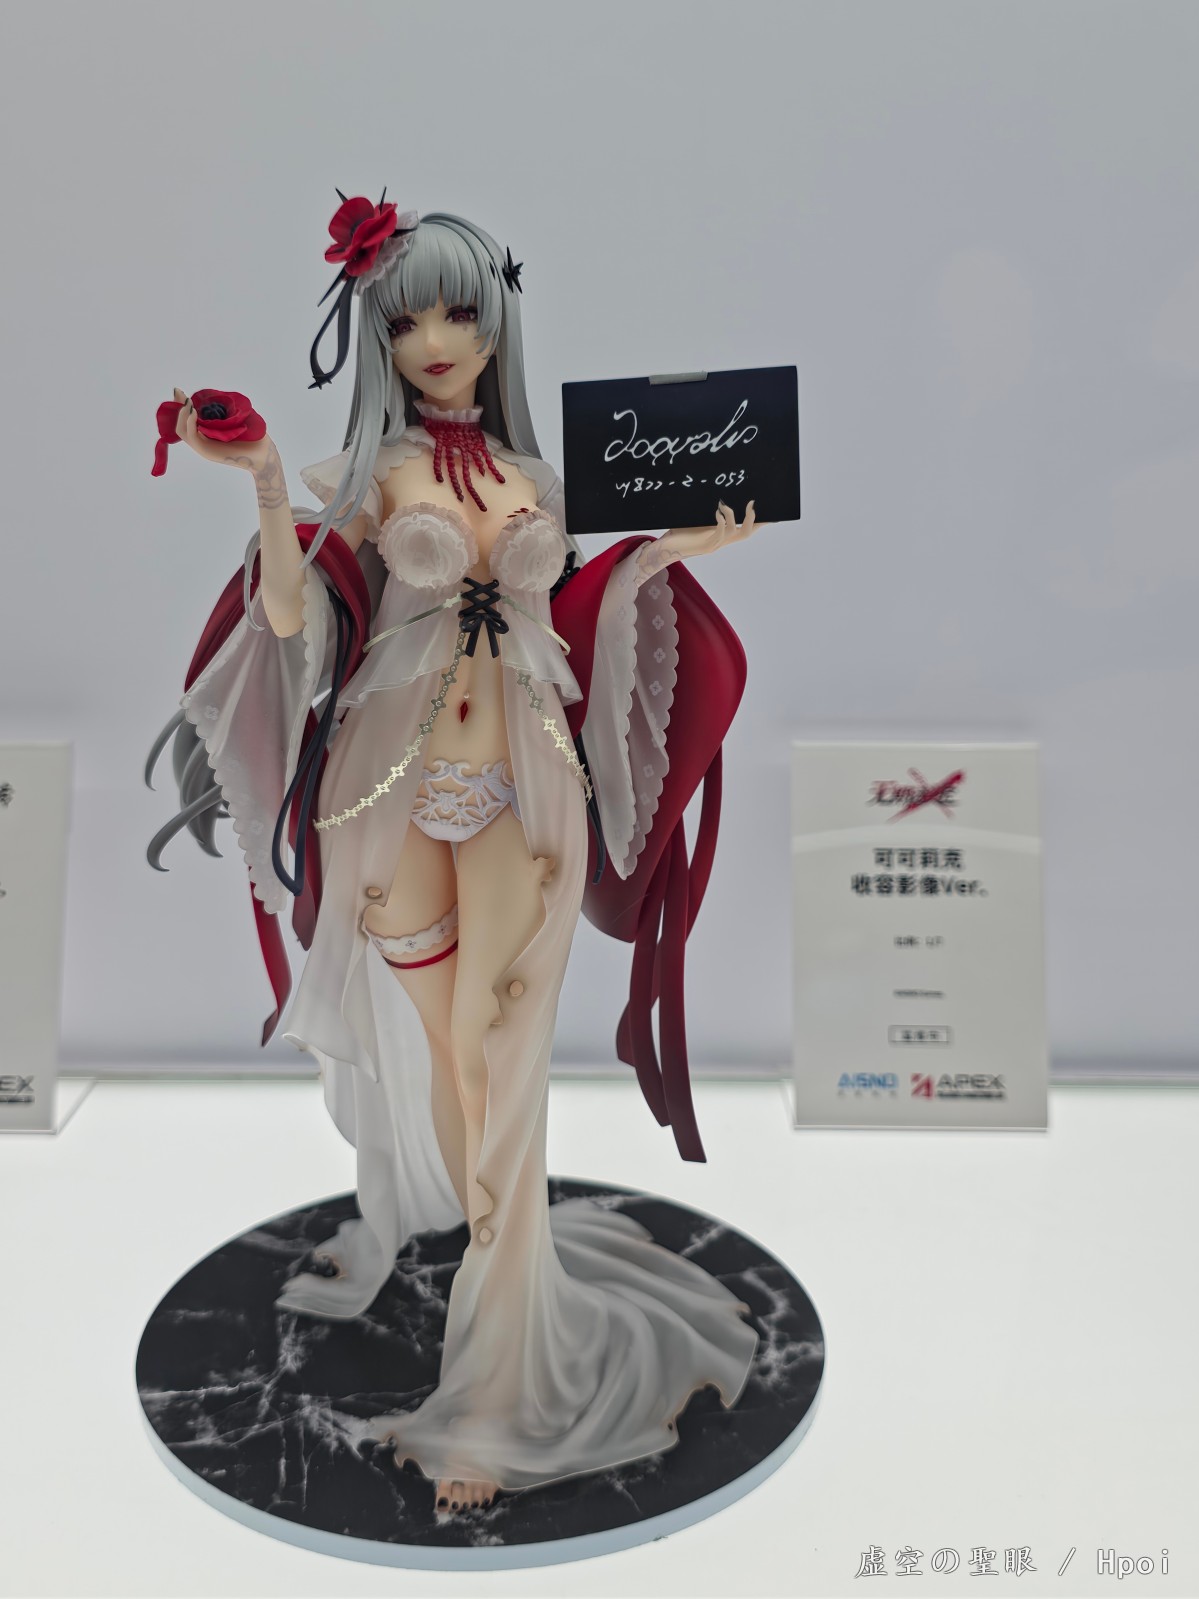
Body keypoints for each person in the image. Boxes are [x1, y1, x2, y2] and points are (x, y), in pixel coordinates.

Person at [148, 201, 761, 1515]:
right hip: (385, 789)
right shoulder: (366, 475)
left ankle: (496, 1390)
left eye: (460, 310)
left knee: (503, 1062)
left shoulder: (544, 475)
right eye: (406, 316)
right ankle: (498, 1286)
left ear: (499, 323)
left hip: (523, 786)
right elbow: (290, 615)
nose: (434, 338)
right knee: (449, 1064)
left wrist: (680, 545)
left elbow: (586, 604)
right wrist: (265, 479)